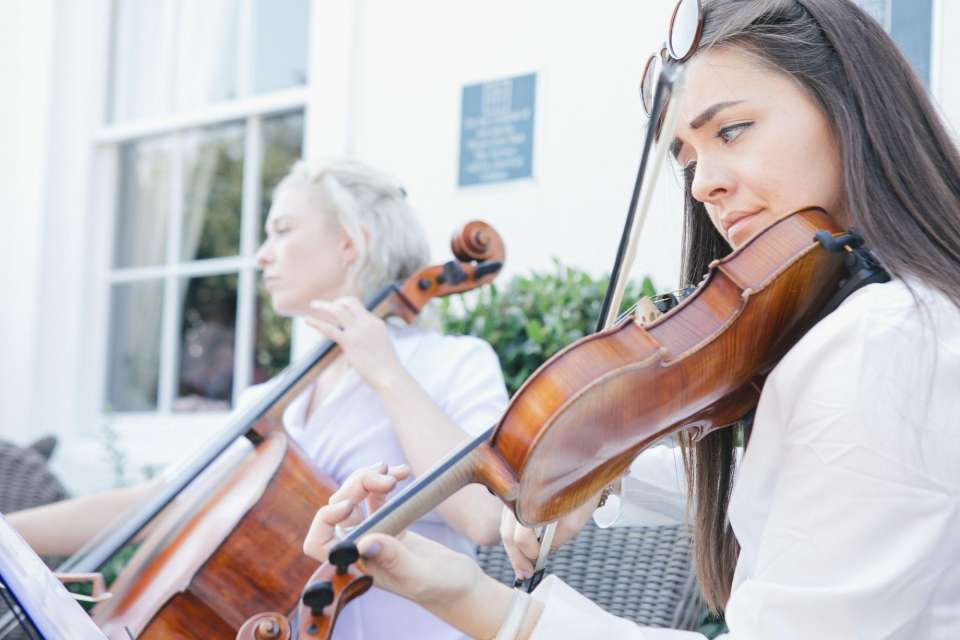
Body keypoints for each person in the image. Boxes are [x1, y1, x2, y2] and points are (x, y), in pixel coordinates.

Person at [302, 1, 960, 638]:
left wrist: (486, 605)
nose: (702, 185)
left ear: (850, 109)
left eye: (732, 130)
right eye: (688, 156)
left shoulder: (883, 340)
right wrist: (600, 473)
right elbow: (806, 477)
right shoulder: (884, 320)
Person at [9, 160, 508, 640]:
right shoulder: (272, 399)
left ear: (349, 242)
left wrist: (384, 371)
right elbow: (165, 502)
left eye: (282, 230)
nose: (262, 255)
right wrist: (8, 534)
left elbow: (485, 517)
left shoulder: (453, 362)